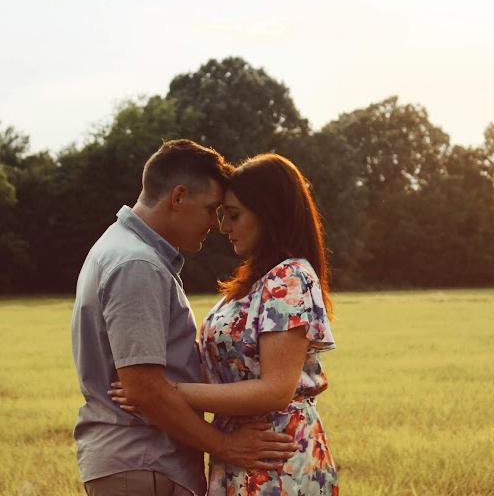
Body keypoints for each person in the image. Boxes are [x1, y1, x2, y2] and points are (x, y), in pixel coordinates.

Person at [72, 140, 297, 496]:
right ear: (178, 197)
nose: (215, 224)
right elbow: (145, 390)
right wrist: (225, 445)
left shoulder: (123, 249)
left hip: (143, 465)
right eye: (211, 209)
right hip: (145, 463)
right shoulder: (137, 264)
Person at [111, 153, 339, 495]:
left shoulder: (290, 278)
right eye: (221, 214)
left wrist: (169, 393)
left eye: (234, 215)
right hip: (239, 451)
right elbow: (222, 371)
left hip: (276, 457)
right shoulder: (255, 282)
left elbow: (275, 390)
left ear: (268, 214)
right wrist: (151, 389)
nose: (223, 227)